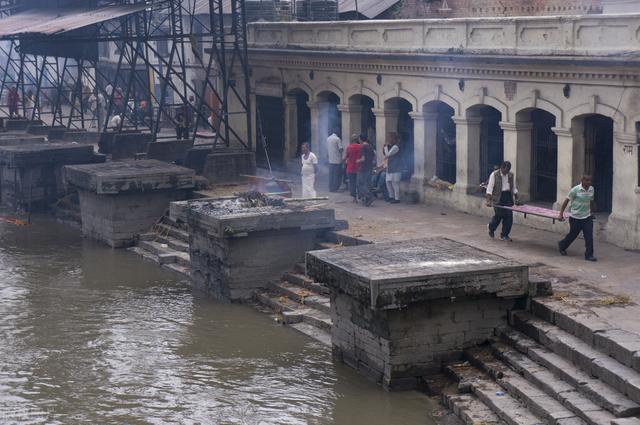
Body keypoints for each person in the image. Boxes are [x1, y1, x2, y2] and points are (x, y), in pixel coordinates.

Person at [558, 175, 597, 261]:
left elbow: (591, 201)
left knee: (589, 236)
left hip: (587, 217)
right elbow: (566, 201)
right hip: (575, 217)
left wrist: (592, 212)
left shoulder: (591, 189)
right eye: (587, 180)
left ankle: (589, 255)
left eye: (590, 181)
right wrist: (561, 214)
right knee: (573, 235)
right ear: (582, 180)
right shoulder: (575, 190)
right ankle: (562, 245)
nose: (589, 182)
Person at [486, 161, 518, 241]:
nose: (506, 172)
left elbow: (513, 187)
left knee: (509, 216)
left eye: (507, 171)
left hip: (507, 196)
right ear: (501, 167)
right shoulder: (494, 175)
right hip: (498, 197)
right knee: (499, 215)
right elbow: (489, 189)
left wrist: (516, 197)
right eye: (505, 170)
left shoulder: (511, 175)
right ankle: (491, 227)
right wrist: (488, 200)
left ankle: (504, 235)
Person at [356, 133, 375, 207]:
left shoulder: (363, 146)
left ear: (360, 139)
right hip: (369, 167)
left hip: (363, 168)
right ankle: (367, 199)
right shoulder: (370, 146)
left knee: (361, 183)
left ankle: (370, 196)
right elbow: (374, 157)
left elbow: (363, 158)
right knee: (367, 183)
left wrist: (358, 161)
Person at [383, 132, 402, 203]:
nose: (388, 139)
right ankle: (391, 196)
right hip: (391, 167)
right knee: (388, 182)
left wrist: (385, 146)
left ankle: (397, 198)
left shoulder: (396, 147)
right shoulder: (392, 146)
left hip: (396, 167)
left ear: (393, 138)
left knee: (395, 183)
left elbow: (387, 154)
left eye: (390, 138)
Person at [345, 134, 362, 203]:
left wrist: (343, 161)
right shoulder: (360, 147)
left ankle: (354, 198)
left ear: (351, 140)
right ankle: (361, 196)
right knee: (359, 183)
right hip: (359, 168)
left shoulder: (349, 147)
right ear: (357, 139)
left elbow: (346, 157)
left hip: (350, 168)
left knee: (352, 183)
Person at [327, 127, 343, 192]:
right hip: (337, 160)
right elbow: (340, 149)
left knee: (331, 175)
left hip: (330, 160)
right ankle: (335, 188)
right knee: (336, 175)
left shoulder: (328, 138)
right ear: (337, 132)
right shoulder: (337, 139)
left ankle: (330, 187)